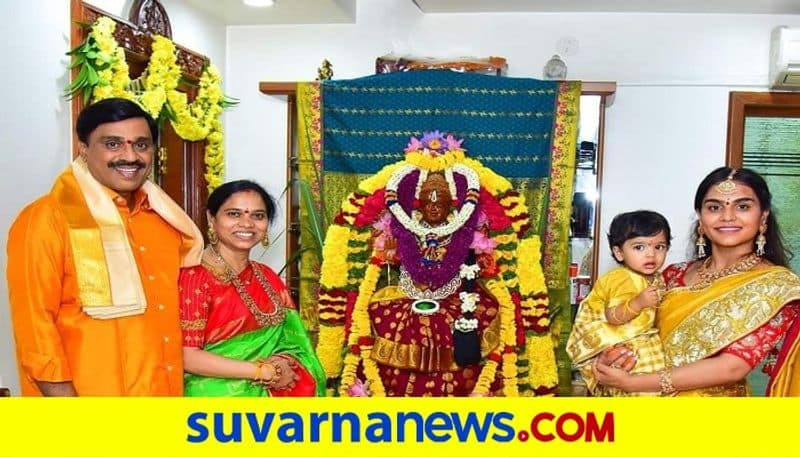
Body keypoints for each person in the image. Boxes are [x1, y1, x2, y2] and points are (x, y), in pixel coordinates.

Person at [316, 131, 558, 397]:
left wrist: (478, 259)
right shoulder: (400, 229)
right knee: (376, 318)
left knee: (486, 317)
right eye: (428, 201)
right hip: (406, 297)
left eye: (439, 202)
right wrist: (389, 247)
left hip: (455, 299)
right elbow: (379, 262)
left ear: (450, 207)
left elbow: (487, 269)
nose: (433, 207)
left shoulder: (466, 232)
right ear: (418, 205)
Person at [7, 98, 203, 396]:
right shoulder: (48, 218)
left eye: (141, 144)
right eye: (112, 144)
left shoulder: (167, 222)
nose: (130, 156)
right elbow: (35, 326)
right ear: (83, 149)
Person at [593, 167, 800, 396]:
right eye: (714, 207)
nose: (727, 216)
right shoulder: (672, 275)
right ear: (701, 219)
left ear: (763, 217)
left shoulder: (776, 284)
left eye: (742, 206)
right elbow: (636, 332)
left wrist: (635, 383)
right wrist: (615, 355)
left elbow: (733, 366)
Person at [180, 180, 325, 396]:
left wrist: (282, 362)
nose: (247, 224)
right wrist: (262, 371)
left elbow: (292, 341)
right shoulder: (194, 276)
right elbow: (187, 356)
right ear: (212, 218)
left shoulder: (266, 276)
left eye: (258, 216)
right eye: (234, 214)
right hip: (212, 400)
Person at [567, 210, 670, 396]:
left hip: (637, 338)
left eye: (659, 247)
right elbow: (612, 316)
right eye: (639, 247)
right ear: (619, 252)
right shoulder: (621, 278)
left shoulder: (655, 278)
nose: (651, 254)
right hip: (613, 339)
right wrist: (638, 303)